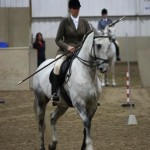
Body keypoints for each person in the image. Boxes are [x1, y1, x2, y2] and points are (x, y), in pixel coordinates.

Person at [51, 0, 91, 103]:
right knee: (57, 66)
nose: (76, 10)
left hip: (80, 52)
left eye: (78, 8)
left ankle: (92, 93)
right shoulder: (64, 22)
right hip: (65, 51)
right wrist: (67, 47)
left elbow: (89, 37)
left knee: (91, 67)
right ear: (70, 9)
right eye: (74, 8)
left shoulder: (85, 22)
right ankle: (55, 93)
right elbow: (58, 39)